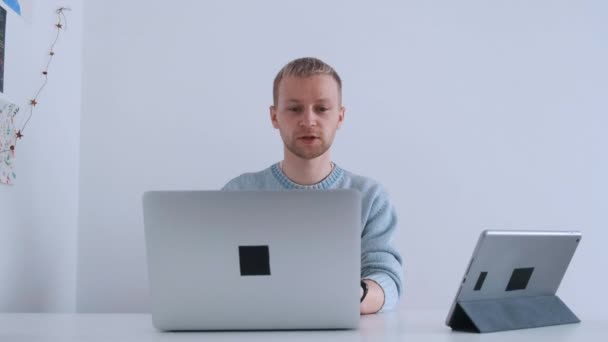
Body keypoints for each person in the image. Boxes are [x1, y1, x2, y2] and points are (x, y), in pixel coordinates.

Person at [222, 57, 403, 314]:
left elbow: (388, 280)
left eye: (321, 108)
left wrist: (351, 295)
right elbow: (219, 275)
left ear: (340, 117)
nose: (308, 121)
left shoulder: (369, 197)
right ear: (274, 116)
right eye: (294, 109)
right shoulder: (239, 193)